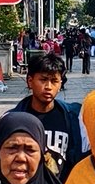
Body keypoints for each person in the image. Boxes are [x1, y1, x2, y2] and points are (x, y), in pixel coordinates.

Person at [20, 49, 83, 177]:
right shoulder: (15, 118)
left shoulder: (73, 117)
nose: (48, 86)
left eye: (54, 81)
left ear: (60, 84)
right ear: (30, 81)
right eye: (43, 80)